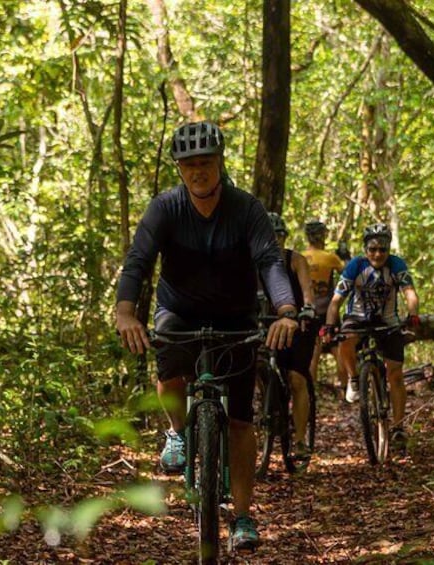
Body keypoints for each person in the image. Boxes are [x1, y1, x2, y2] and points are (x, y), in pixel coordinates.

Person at [115, 121, 299, 550]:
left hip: (236, 316)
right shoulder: (164, 208)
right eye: (189, 165)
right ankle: (178, 431)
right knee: (167, 355)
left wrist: (286, 311)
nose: (198, 171)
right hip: (178, 310)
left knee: (239, 419)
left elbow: (270, 262)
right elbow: (138, 261)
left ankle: (242, 518)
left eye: (206, 163)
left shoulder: (246, 209)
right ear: (179, 169)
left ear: (220, 163)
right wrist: (126, 312)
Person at [320, 223, 420, 453]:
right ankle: (354, 378)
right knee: (346, 338)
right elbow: (336, 301)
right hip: (357, 317)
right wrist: (328, 325)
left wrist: (413, 314)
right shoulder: (356, 266)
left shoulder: (396, 265)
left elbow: (410, 294)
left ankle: (398, 427)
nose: (377, 254)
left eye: (382, 249)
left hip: (387, 321)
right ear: (365, 249)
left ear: (388, 249)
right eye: (373, 249)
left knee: (395, 373)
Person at [265, 213, 317, 461]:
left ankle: (299, 441)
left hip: (297, 325)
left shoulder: (295, 260)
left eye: (278, 236)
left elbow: (307, 290)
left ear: (284, 237)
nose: (273, 241)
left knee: (297, 379)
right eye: (268, 236)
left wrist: (307, 308)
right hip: (265, 325)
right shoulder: (252, 263)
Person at [301, 220, 347, 390]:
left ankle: (311, 394)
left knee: (313, 353)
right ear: (322, 236)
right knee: (337, 350)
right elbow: (347, 274)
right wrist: (345, 257)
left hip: (308, 311)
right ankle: (345, 391)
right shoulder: (330, 258)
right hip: (329, 311)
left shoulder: (300, 257)